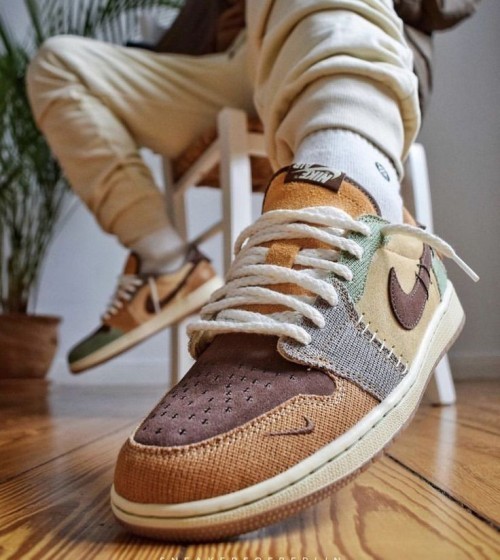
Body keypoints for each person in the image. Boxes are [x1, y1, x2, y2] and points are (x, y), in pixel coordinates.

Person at [27, 0, 479, 541]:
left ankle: (362, 192)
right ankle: (167, 264)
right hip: (231, 63)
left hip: (357, 27)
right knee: (57, 63)